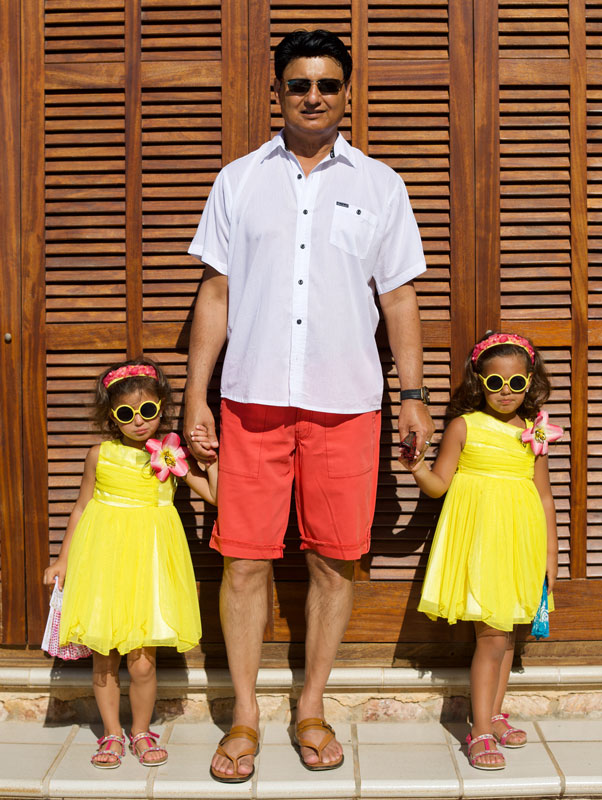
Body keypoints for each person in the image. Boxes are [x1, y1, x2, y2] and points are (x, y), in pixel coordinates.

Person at [185, 29, 434, 782]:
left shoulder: (381, 185)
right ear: (279, 91)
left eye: (327, 83)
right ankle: (244, 713)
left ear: (346, 92)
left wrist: (414, 396)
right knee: (244, 562)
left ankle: (312, 705)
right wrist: (195, 394)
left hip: (347, 404)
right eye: (300, 84)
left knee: (334, 562)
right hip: (251, 402)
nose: (314, 96)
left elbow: (399, 298)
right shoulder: (238, 181)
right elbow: (217, 293)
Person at [43, 358, 216, 769]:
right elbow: (81, 507)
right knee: (104, 660)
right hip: (103, 566)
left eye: (148, 410)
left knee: (142, 662)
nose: (138, 421)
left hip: (149, 569)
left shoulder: (171, 455)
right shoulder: (99, 455)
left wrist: (209, 460)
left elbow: (217, 498)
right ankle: (111, 733)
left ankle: (140, 730)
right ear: (111, 417)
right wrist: (63, 559)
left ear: (161, 408)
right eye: (126, 413)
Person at [401, 332, 559, 771]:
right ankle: (480, 729)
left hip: (521, 543)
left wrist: (551, 554)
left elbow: (545, 497)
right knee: (491, 636)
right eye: (495, 383)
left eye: (516, 383)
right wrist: (417, 467)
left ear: (530, 382)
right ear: (479, 383)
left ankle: (494, 713)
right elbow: (439, 485)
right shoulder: (464, 426)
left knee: (508, 636)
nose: (506, 391)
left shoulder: (533, 431)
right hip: (481, 544)